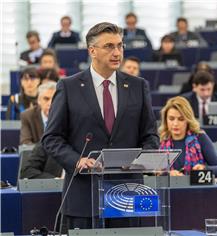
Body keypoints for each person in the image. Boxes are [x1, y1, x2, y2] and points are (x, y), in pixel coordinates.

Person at [41, 22, 159, 229]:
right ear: (92, 51)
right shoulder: (69, 87)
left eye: (120, 46)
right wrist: (77, 161)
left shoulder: (138, 86)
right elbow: (51, 138)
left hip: (129, 193)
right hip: (84, 195)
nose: (117, 52)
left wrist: (143, 159)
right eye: (109, 46)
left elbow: (150, 136)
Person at [159, 96, 217, 177]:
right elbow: (151, 173)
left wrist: (203, 169)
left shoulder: (200, 137)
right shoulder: (160, 140)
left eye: (181, 119)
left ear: (188, 120)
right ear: (165, 120)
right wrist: (167, 174)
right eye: (171, 119)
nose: (175, 124)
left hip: (195, 188)